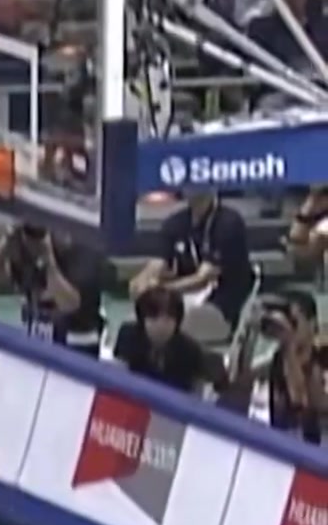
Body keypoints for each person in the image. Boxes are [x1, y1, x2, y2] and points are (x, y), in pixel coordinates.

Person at [130, 190, 253, 340]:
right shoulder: (174, 223)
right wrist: (142, 281)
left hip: (220, 304)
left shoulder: (229, 223)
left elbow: (203, 278)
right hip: (184, 299)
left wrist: (160, 290)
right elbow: (158, 263)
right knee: (138, 320)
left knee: (181, 321)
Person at [0, 224, 111, 355]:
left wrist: (49, 260)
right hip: (38, 343)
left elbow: (69, 304)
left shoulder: (81, 255)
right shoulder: (27, 256)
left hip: (74, 346)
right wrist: (7, 239)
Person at [114, 286, 227, 393]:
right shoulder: (127, 336)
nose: (161, 325)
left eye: (168, 319)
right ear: (142, 320)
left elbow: (216, 384)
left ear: (177, 322)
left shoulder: (190, 351)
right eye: (153, 318)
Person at [268, 290, 326, 444]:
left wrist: (290, 347)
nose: (290, 328)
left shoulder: (322, 360)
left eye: (294, 321)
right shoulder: (277, 361)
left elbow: (301, 400)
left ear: (312, 324)